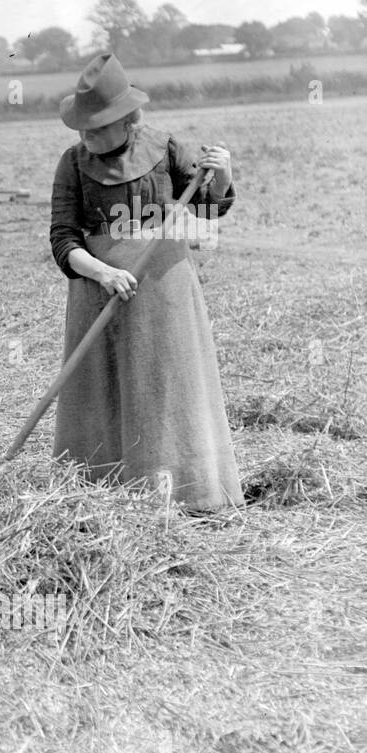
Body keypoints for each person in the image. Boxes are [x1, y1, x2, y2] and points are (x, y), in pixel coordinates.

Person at [49, 52, 241, 510]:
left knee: (166, 385)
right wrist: (103, 272)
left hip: (163, 289)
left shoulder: (166, 148)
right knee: (102, 387)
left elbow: (209, 210)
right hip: (98, 291)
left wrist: (224, 175)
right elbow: (61, 237)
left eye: (97, 126)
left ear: (127, 121)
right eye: (82, 126)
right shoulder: (72, 164)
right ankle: (103, 494)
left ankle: (183, 492)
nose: (86, 134)